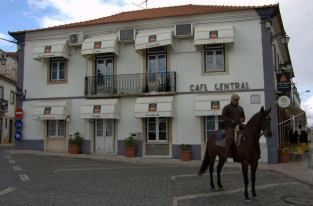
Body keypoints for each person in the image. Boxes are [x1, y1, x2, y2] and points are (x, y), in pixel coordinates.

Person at [222, 93, 245, 161]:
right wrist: (231, 121)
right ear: (231, 99)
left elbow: (243, 117)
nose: (236, 101)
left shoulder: (240, 108)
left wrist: (242, 119)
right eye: (235, 99)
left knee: (246, 135)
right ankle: (227, 154)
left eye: (237, 100)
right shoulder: (226, 107)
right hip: (230, 126)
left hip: (239, 126)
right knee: (229, 138)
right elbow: (223, 116)